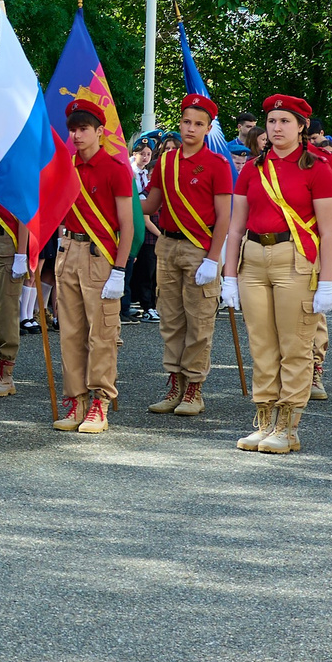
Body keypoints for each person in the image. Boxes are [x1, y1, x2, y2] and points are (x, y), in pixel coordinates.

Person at [217, 95, 332, 454]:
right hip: (253, 259)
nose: (276, 127)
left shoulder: (318, 167)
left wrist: (326, 281)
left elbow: (329, 230)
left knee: (295, 346)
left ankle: (288, 426)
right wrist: (229, 276)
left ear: (302, 127)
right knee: (261, 345)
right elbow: (235, 226)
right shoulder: (253, 168)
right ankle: (264, 420)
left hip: (295, 258)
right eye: (272, 121)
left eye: (285, 121)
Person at [140, 92, 233, 420]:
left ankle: (194, 387)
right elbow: (152, 204)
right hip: (167, 245)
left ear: (208, 128)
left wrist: (213, 258)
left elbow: (224, 216)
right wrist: (123, 198)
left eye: (198, 124)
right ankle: (175, 383)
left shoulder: (217, 164)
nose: (191, 128)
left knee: (199, 320)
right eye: (186, 122)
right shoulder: (166, 161)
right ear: (179, 124)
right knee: (171, 319)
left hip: (199, 248)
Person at [49, 106, 132, 436]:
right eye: (73, 129)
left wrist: (119, 270)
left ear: (100, 131)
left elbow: (127, 225)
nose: (77, 135)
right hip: (69, 250)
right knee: (70, 331)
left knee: (101, 333)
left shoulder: (115, 169)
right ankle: (77, 399)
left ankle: (100, 400)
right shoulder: (65, 167)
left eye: (84, 128)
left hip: (100, 256)